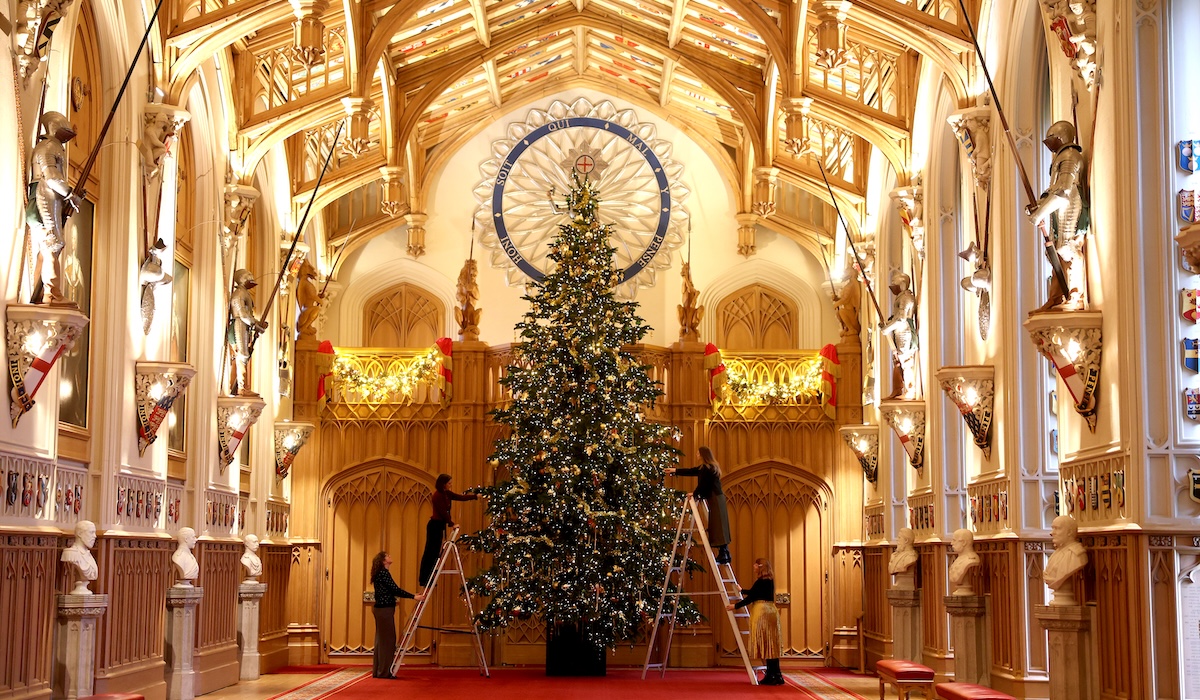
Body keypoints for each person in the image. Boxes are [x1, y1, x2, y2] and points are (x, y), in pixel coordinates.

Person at [666, 446, 732, 563]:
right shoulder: (705, 468)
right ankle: (724, 552)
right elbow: (691, 471)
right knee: (718, 525)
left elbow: (703, 485)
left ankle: (724, 554)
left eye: (698, 453)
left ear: (703, 455)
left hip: (715, 498)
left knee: (718, 526)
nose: (697, 455)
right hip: (715, 497)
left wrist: (695, 494)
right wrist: (675, 471)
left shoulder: (708, 468)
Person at [726, 558, 784, 686]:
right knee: (771, 645)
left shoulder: (760, 582)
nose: (754, 566)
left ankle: (771, 676)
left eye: (756, 564)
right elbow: (755, 593)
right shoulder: (769, 581)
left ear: (760, 566)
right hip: (771, 612)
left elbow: (752, 597)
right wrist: (743, 590)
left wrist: (735, 606)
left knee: (766, 644)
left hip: (762, 612)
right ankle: (776, 675)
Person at [369, 551, 424, 679]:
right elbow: (395, 589)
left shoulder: (381, 573)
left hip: (381, 609)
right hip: (384, 610)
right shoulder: (383, 573)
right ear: (383, 561)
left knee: (381, 640)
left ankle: (379, 671)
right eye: (387, 555)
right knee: (388, 641)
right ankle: (384, 672)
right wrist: (414, 596)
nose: (390, 556)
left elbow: (393, 589)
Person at [419, 474, 479, 587]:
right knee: (430, 552)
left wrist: (475, 496)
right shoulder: (437, 496)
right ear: (443, 484)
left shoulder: (447, 494)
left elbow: (460, 497)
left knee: (436, 553)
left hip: (440, 526)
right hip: (434, 526)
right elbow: (442, 512)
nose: (451, 485)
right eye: (449, 483)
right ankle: (424, 579)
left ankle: (431, 578)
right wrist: (452, 524)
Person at [1044, 515, 1088, 604]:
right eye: (1053, 528)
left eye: (1057, 528)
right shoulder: (1055, 554)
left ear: (1069, 532)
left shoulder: (1077, 555)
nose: (1052, 533)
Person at [61, 519, 98, 595]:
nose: (95, 536)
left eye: (94, 533)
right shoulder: (70, 553)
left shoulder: (89, 555)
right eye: (91, 532)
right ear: (80, 533)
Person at [948, 528, 980, 595]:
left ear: (964, 543)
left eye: (954, 540)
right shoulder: (957, 559)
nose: (951, 543)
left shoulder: (971, 559)